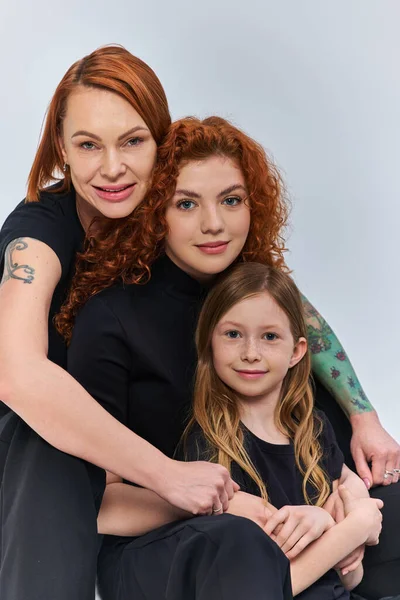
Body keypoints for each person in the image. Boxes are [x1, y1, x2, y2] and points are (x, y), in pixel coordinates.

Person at [61, 116, 399, 598]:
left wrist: (348, 489)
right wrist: (218, 505)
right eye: (186, 203)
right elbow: (98, 504)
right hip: (171, 543)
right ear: (156, 211)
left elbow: (312, 403)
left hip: (292, 516)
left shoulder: (256, 289)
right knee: (239, 543)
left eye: (231, 200)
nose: (213, 224)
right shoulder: (111, 320)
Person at [0, 48, 237, 600]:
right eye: (88, 145)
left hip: (148, 446)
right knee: (45, 444)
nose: (111, 168)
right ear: (62, 148)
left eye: (132, 141)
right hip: (48, 461)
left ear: (161, 139)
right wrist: (167, 476)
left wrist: (362, 413)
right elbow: (16, 374)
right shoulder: (39, 232)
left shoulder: (174, 211)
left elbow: (266, 291)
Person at [182, 260, 385, 598]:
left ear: (297, 351)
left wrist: (346, 515)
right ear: (209, 342)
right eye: (233, 334)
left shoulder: (313, 431)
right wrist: (354, 525)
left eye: (270, 337)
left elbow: (351, 578)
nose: (250, 353)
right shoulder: (209, 450)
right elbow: (269, 587)